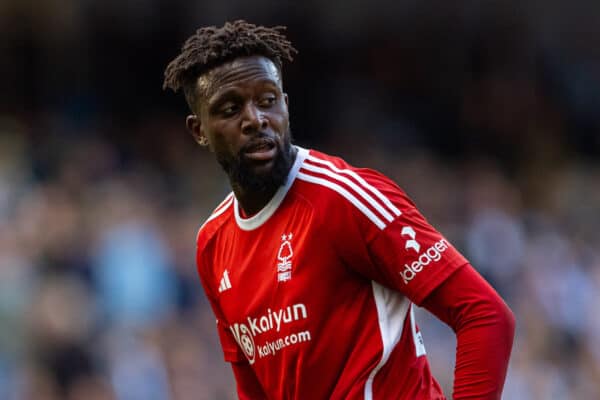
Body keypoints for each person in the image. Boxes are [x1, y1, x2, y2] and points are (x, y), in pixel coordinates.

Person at [163, 20, 515, 399]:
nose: (255, 119)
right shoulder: (213, 244)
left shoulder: (343, 198)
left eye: (267, 100)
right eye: (231, 108)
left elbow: (485, 316)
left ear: (285, 104)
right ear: (198, 130)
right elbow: (255, 388)